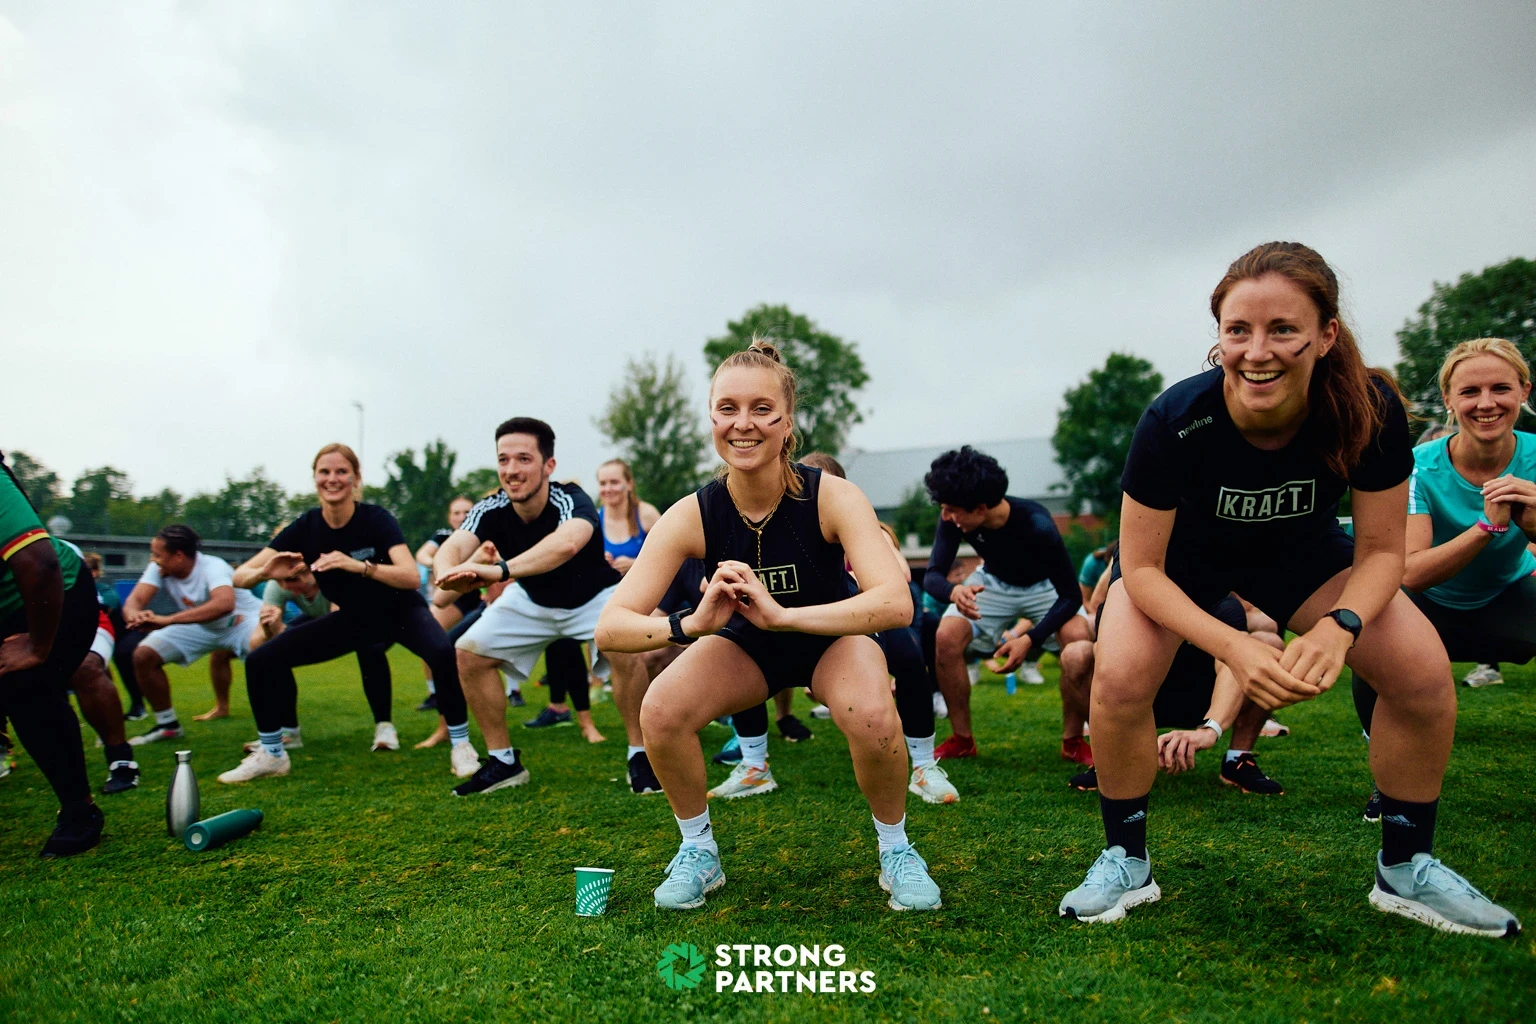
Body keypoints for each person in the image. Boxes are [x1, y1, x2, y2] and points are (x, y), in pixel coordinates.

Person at [1058, 241, 1519, 938]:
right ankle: (1126, 859)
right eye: (1237, 330)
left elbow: (1382, 552)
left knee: (1422, 675)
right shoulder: (1174, 420)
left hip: (1301, 554)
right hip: (1181, 562)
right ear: (1218, 334)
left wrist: (1339, 626)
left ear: (1326, 334)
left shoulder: (1369, 408)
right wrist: (1235, 648)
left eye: (1282, 329)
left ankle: (1406, 867)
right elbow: (1141, 568)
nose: (1257, 350)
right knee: (1118, 680)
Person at [595, 339, 941, 912]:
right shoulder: (694, 512)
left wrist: (785, 617)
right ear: (711, 418)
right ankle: (698, 850)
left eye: (761, 409)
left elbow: (894, 602)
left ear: (788, 423)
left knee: (876, 715)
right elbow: (612, 627)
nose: (743, 424)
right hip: (746, 648)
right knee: (659, 709)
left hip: (831, 639)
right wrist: (693, 623)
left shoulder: (833, 496)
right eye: (727, 408)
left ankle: (896, 848)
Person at [1353, 338, 1536, 818]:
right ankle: (1387, 782)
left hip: (1510, 600)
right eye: (1470, 391)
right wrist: (1487, 528)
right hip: (1432, 605)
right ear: (1450, 401)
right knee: (1367, 631)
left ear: (1524, 391)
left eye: (1501, 388)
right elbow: (1409, 570)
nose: (1486, 403)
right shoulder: (1419, 466)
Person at [217, 443, 473, 783]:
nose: (332, 478)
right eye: (325, 472)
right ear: (315, 478)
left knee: (441, 651)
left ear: (355, 478)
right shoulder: (305, 527)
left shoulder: (376, 519)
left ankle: (461, 745)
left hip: (401, 610)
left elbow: (410, 576)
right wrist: (266, 572)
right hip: (355, 618)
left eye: (341, 472)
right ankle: (272, 755)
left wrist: (358, 566)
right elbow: (239, 576)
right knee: (261, 660)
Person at [435, 418, 652, 797]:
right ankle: (503, 763)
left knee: (627, 653)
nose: (511, 470)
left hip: (593, 598)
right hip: (532, 599)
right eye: (504, 460)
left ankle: (641, 755)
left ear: (548, 466)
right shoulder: (491, 507)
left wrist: (498, 570)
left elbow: (565, 545)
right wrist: (447, 574)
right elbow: (452, 547)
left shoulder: (571, 499)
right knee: (467, 655)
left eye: (523, 459)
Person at [924, 446, 1085, 760]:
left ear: (981, 508)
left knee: (1078, 638)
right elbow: (932, 575)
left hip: (1046, 588)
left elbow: (1071, 595)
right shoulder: (954, 517)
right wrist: (952, 592)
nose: (946, 517)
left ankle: (1074, 740)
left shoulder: (1038, 524)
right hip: (992, 583)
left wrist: (1030, 639)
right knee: (945, 636)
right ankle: (962, 739)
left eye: (952, 509)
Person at [0, 454, 104, 856]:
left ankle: (80, 809)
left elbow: (40, 565)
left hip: (58, 593)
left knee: (24, 683)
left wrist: (37, 646)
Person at [121, 525, 264, 742]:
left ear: (178, 556)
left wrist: (167, 620)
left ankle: (284, 730)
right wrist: (134, 615)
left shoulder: (213, 566)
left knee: (266, 657)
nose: (154, 559)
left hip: (241, 622)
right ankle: (167, 726)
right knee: (144, 656)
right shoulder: (159, 568)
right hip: (201, 626)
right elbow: (135, 600)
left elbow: (225, 604)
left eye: (158, 554)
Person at [243, 563, 399, 752]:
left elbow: (340, 630)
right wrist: (272, 630)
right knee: (273, 656)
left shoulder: (334, 577)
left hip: (368, 617)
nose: (286, 587)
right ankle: (289, 733)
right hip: (322, 620)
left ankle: (384, 726)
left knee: (369, 648)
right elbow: (256, 644)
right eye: (282, 581)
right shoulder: (277, 586)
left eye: (292, 580)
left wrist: (287, 635)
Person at [414, 495, 484, 711]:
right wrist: (441, 565)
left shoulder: (484, 533)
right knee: (427, 635)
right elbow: (422, 554)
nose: (462, 517)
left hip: (481, 595)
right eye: (456, 512)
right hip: (453, 597)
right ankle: (434, 692)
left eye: (466, 512)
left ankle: (513, 691)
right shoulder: (442, 536)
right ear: (449, 517)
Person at [81, 551, 146, 720]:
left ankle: (138, 705)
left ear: (95, 573)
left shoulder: (104, 591)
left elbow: (107, 607)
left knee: (123, 660)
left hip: (122, 636)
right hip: (95, 639)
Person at [595, 459, 661, 575]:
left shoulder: (646, 514)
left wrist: (636, 564)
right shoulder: (594, 521)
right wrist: (599, 562)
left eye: (614, 482)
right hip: (610, 591)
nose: (608, 489)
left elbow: (670, 556)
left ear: (629, 484)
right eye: (603, 484)